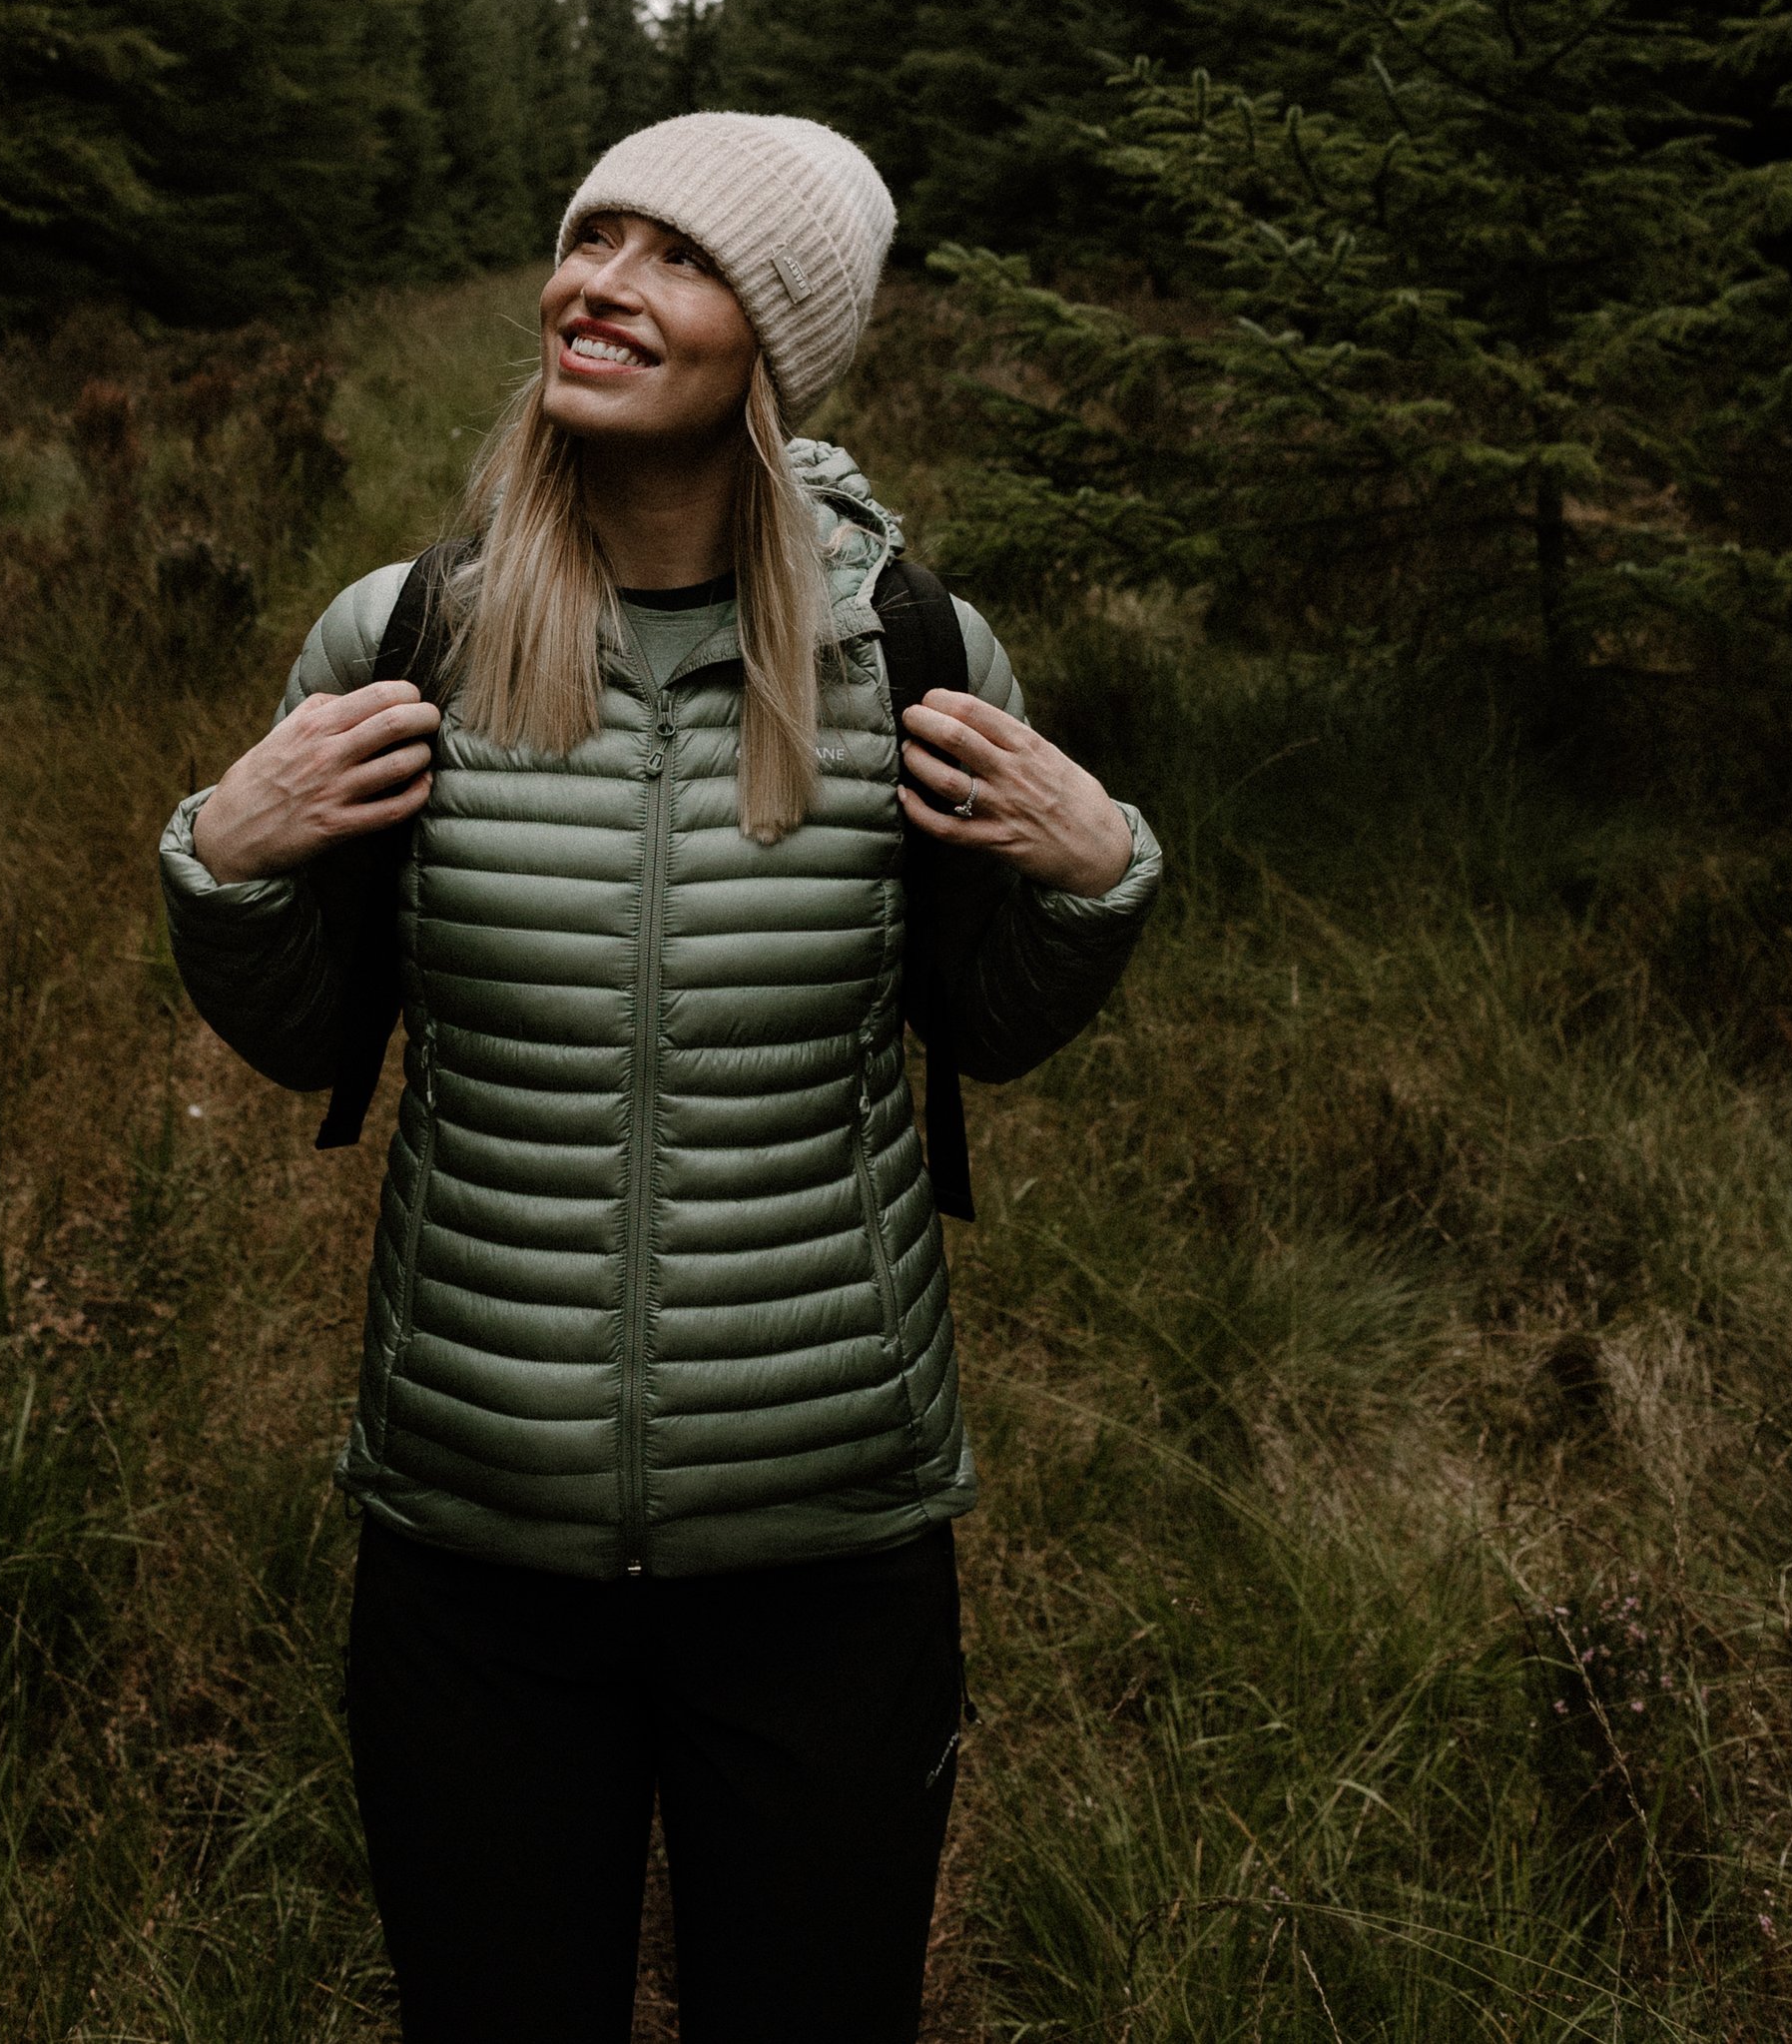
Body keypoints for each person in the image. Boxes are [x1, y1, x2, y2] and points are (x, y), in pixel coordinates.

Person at [159, 112, 1162, 2044]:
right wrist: (227, 852)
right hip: (471, 1544)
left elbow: (993, 1027)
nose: (596, 283)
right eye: (587, 236)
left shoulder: (913, 646)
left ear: (770, 344)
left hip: (828, 1558)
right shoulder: (411, 632)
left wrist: (1096, 880)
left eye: (671, 255)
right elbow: (306, 1036)